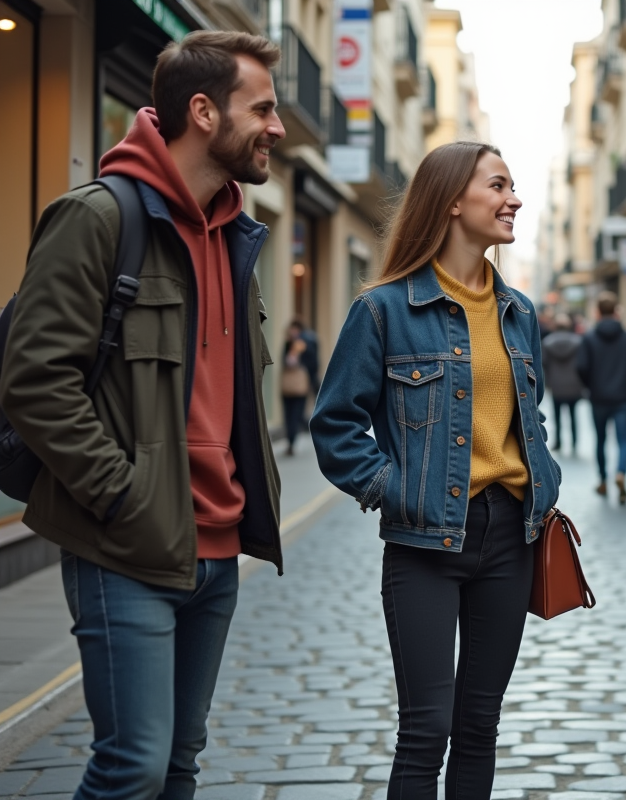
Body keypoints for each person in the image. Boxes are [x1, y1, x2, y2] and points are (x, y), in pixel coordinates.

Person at [0, 31, 284, 799]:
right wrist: (122, 496)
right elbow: (32, 382)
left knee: (179, 766)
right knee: (132, 768)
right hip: (124, 546)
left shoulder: (236, 237)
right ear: (203, 111)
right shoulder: (97, 217)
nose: (278, 126)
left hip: (217, 551)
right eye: (262, 108)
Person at [310, 141, 561, 800]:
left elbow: (525, 416)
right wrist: (393, 488)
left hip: (510, 536)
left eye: (514, 186)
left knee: (479, 725)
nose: (515, 199)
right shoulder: (383, 310)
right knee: (425, 729)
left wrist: (546, 476)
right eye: (499, 186)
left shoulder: (520, 313)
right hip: (424, 541)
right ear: (453, 201)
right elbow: (335, 424)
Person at [576, 292, 626, 503]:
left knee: (601, 440)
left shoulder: (589, 338)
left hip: (598, 397)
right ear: (616, 312)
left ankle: (603, 481)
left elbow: (581, 367)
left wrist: (591, 386)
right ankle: (621, 473)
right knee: (623, 440)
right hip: (623, 397)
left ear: (597, 312)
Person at [541, 313, 585, 453]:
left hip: (556, 385)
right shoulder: (578, 342)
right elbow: (582, 364)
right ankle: (574, 442)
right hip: (574, 384)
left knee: (557, 415)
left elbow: (544, 364)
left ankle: (558, 442)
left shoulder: (547, 342)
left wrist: (547, 382)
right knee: (573, 415)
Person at [281, 321, 312, 456]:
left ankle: (292, 440)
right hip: (287, 387)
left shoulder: (306, 344)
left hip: (300, 387)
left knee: (296, 414)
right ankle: (290, 441)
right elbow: (284, 362)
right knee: (288, 415)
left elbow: (312, 363)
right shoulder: (287, 344)